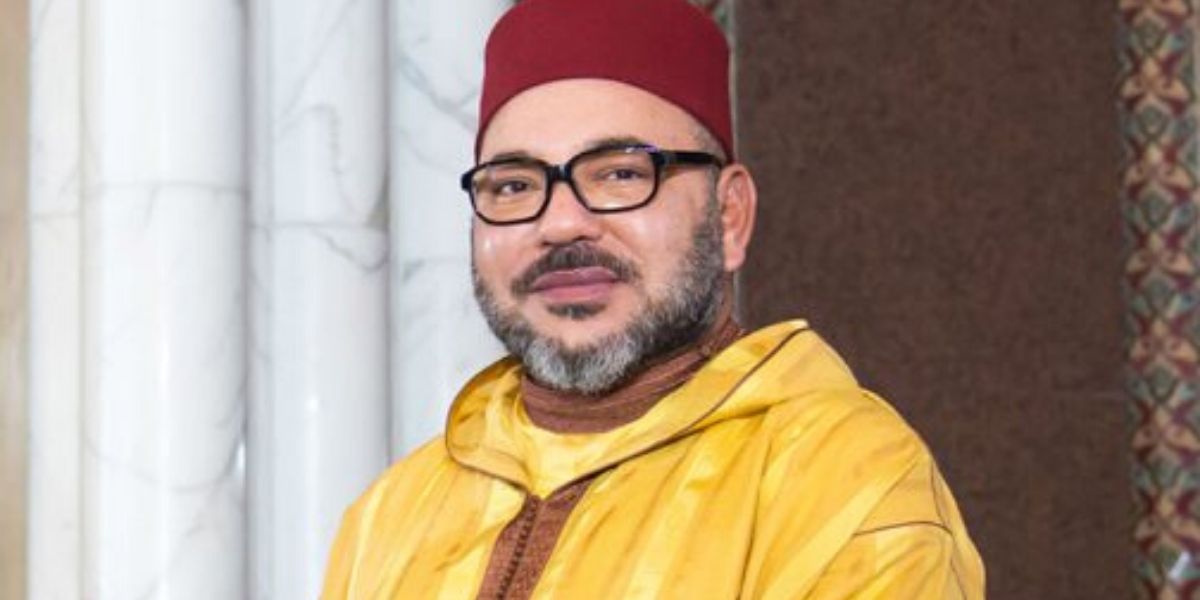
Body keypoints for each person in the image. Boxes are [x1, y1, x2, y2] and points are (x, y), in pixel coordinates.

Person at [321, 0, 985, 597]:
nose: (561, 223)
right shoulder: (389, 517)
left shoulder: (845, 485)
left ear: (729, 216)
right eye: (514, 186)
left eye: (619, 173)